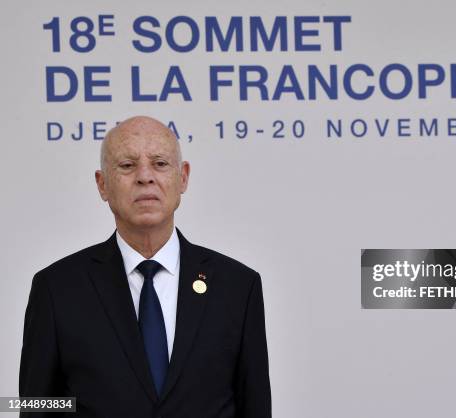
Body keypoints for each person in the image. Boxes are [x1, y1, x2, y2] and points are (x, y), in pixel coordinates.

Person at [19, 116, 271, 418]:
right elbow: (36, 405)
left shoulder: (238, 287)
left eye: (160, 164)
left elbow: (254, 407)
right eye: (127, 165)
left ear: (183, 178)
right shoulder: (56, 289)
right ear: (102, 184)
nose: (144, 177)